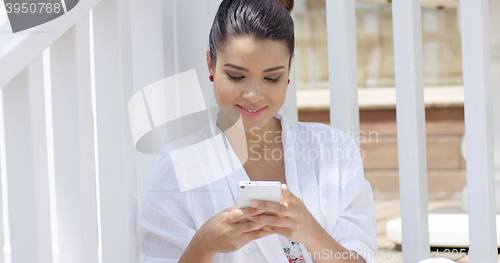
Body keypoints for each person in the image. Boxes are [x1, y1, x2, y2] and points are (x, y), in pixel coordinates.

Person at [136, 0, 377, 262]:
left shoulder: (333, 151)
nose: (253, 95)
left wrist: (310, 232)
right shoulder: (179, 167)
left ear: (289, 69)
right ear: (210, 65)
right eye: (236, 76)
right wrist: (203, 245)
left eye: (271, 78)